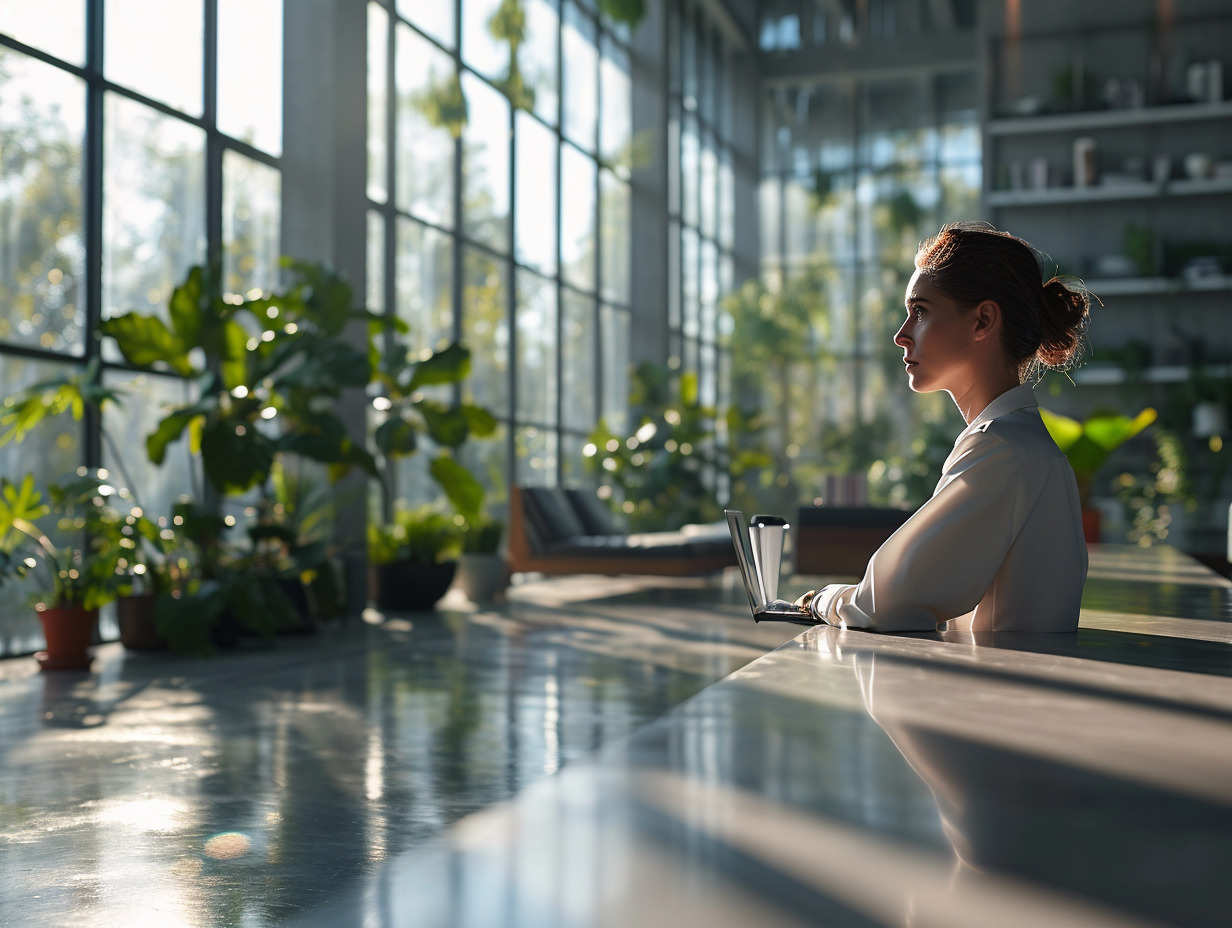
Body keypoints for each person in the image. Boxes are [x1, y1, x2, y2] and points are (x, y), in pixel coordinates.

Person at [795, 221, 1091, 633]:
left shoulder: (1001, 452)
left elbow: (883, 605)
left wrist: (819, 600)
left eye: (920, 312)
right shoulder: (1022, 445)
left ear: (982, 321)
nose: (901, 336)